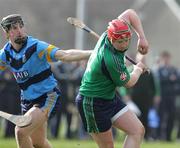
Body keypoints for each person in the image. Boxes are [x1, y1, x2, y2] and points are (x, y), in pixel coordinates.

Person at [0, 14, 92, 148]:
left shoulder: (36, 46)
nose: (19, 30)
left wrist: (94, 52)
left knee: (20, 131)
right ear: (7, 33)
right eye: (14, 28)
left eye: (21, 26)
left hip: (47, 97)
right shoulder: (6, 53)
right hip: (27, 101)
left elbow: (65, 55)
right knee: (39, 143)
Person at [76, 9, 149, 148]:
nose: (124, 44)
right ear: (111, 38)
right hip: (92, 102)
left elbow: (130, 13)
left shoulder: (112, 32)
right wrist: (138, 69)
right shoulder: (112, 60)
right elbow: (129, 82)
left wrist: (142, 37)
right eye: (120, 41)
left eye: (127, 39)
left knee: (137, 131)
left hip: (109, 98)